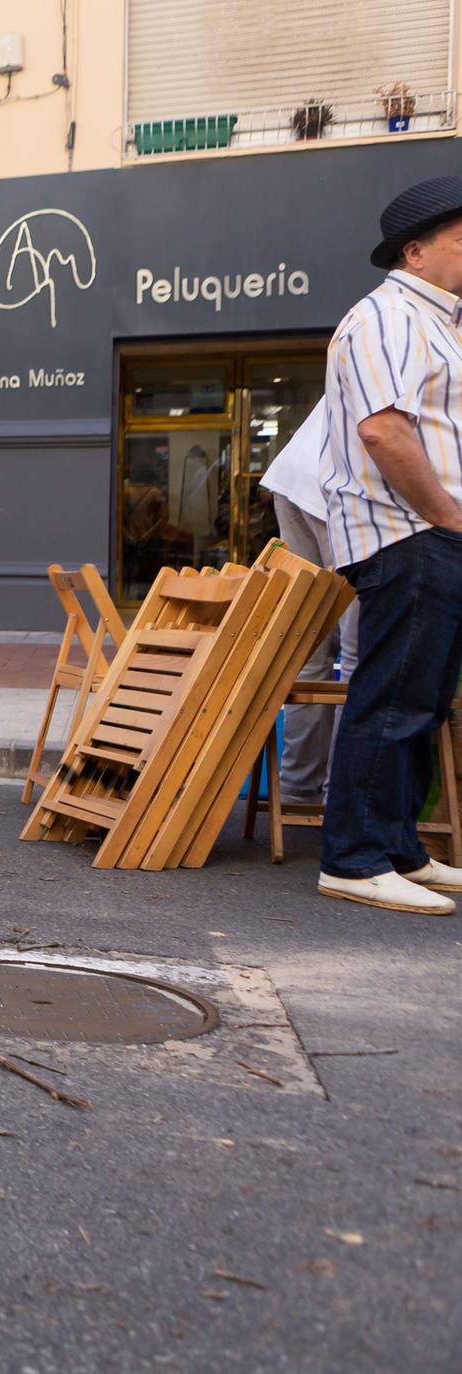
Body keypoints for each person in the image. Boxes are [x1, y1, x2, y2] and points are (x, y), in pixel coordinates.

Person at [314, 176, 462, 916]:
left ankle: (398, 848)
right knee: (393, 697)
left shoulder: (438, 322)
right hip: (407, 532)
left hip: (426, 532)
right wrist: (447, 516)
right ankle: (353, 857)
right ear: (415, 251)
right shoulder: (386, 316)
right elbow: (382, 430)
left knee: (423, 700)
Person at [256, 400, 359, 807]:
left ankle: (299, 786)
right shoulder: (433, 342)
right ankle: (343, 797)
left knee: (309, 642)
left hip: (296, 476)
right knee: (359, 651)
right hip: (341, 487)